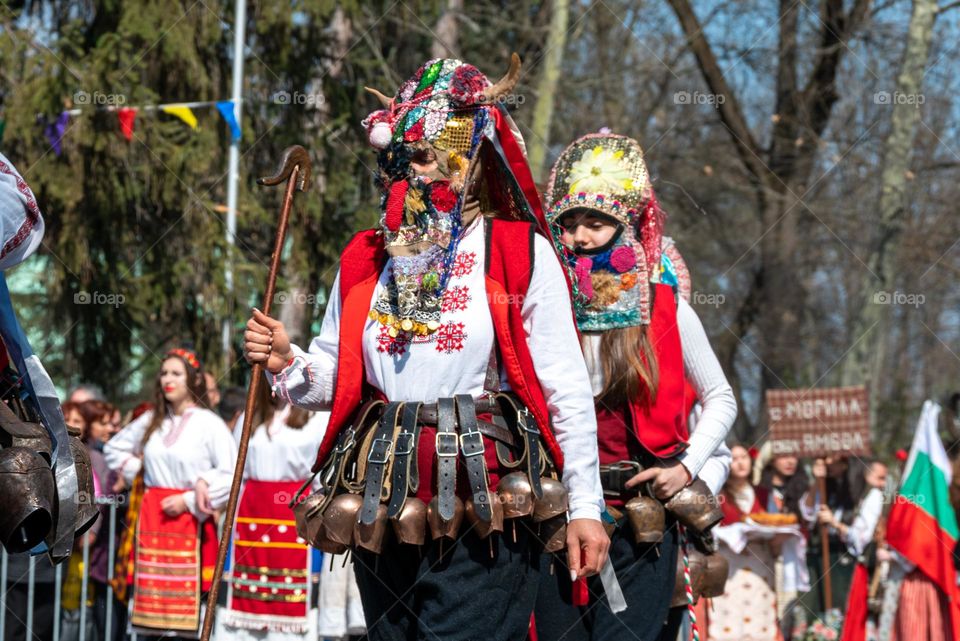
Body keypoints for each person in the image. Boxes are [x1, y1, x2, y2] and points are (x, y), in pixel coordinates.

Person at [243, 54, 608, 641]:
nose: (404, 175)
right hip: (382, 494)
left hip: (486, 495)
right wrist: (289, 361)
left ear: (467, 159)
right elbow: (340, 379)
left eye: (419, 158)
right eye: (395, 161)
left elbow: (565, 389)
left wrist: (586, 505)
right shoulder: (365, 258)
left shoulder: (518, 253)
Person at [534, 132, 737, 641]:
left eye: (595, 223)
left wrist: (686, 467)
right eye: (569, 224)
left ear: (625, 226)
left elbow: (721, 398)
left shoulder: (667, 308)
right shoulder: (543, 310)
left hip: (641, 521)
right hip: (559, 514)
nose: (580, 237)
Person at [104, 348, 237, 639]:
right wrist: (141, 472)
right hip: (152, 520)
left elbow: (231, 474)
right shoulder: (152, 420)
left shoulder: (209, 423)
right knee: (150, 622)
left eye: (176, 373)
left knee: (186, 622)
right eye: (164, 373)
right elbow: (114, 449)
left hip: (192, 524)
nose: (168, 379)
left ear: (193, 379)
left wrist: (189, 498)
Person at [217, 381, 330, 640]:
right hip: (249, 518)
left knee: (295, 596)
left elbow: (323, 474)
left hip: (296, 518)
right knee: (243, 594)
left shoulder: (316, 417)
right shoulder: (250, 416)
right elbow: (234, 471)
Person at [709, 444, 783, 641]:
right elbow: (709, 530)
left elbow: (775, 523)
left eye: (744, 457)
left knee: (760, 616)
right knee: (730, 616)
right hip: (730, 564)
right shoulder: (717, 494)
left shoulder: (765, 494)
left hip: (760, 563)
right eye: (734, 459)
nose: (740, 463)